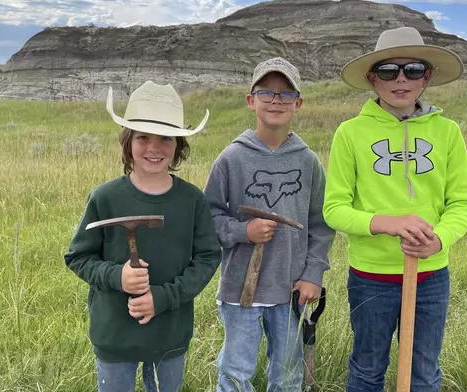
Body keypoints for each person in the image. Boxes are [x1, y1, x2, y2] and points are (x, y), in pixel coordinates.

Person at [322, 27, 467, 391]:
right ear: (371, 78)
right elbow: (334, 209)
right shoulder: (350, 133)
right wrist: (387, 223)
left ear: (427, 76)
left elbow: (464, 202)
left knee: (424, 372)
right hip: (371, 277)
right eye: (389, 71)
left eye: (412, 69)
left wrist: (438, 240)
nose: (401, 80)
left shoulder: (448, 132)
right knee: (367, 369)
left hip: (430, 277)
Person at [64, 81, 222, 392]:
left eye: (166, 138)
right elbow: (78, 257)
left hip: (169, 333)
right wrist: (116, 276)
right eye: (142, 137)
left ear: (178, 144)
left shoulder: (191, 200)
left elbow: (208, 257)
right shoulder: (105, 198)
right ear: (128, 142)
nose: (154, 147)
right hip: (115, 334)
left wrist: (163, 298)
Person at [204, 57, 335, 391]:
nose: (276, 101)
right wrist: (243, 232)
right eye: (266, 92)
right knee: (235, 371)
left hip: (290, 290)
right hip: (239, 290)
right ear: (251, 101)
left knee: (288, 373)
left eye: (286, 94)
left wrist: (312, 275)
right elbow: (209, 217)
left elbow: (321, 223)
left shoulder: (307, 162)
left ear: (298, 103)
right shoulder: (231, 159)